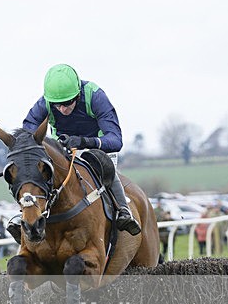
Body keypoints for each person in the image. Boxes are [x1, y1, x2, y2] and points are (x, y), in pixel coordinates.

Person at [12, 63, 140, 242]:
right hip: (63, 149)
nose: (63, 109)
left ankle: (123, 210)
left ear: (78, 94)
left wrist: (84, 142)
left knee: (105, 167)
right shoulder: (45, 102)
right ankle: (26, 215)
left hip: (98, 148)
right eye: (57, 105)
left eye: (67, 103)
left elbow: (115, 140)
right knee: (37, 172)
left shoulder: (95, 96)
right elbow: (28, 132)